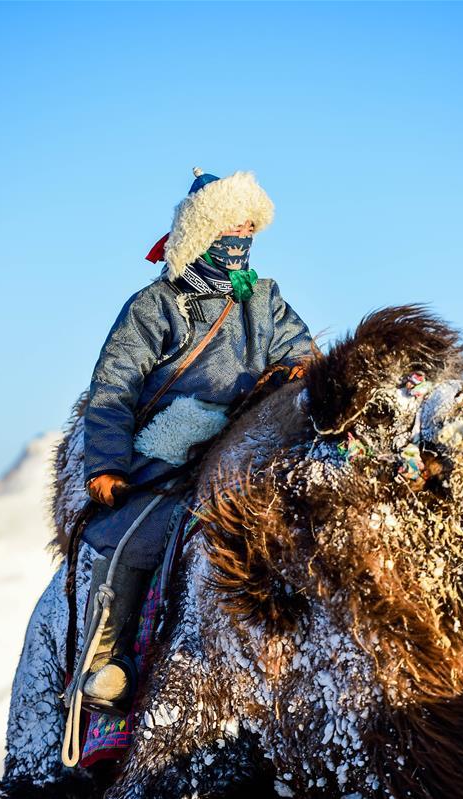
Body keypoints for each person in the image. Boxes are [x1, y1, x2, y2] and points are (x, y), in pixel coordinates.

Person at [79, 167, 314, 715]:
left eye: (247, 225)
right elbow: (113, 385)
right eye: (229, 225)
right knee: (134, 540)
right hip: (167, 455)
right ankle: (104, 662)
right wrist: (107, 465)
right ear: (201, 231)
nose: (240, 235)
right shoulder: (155, 304)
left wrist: (294, 372)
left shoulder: (266, 298)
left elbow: (301, 351)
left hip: (246, 447)